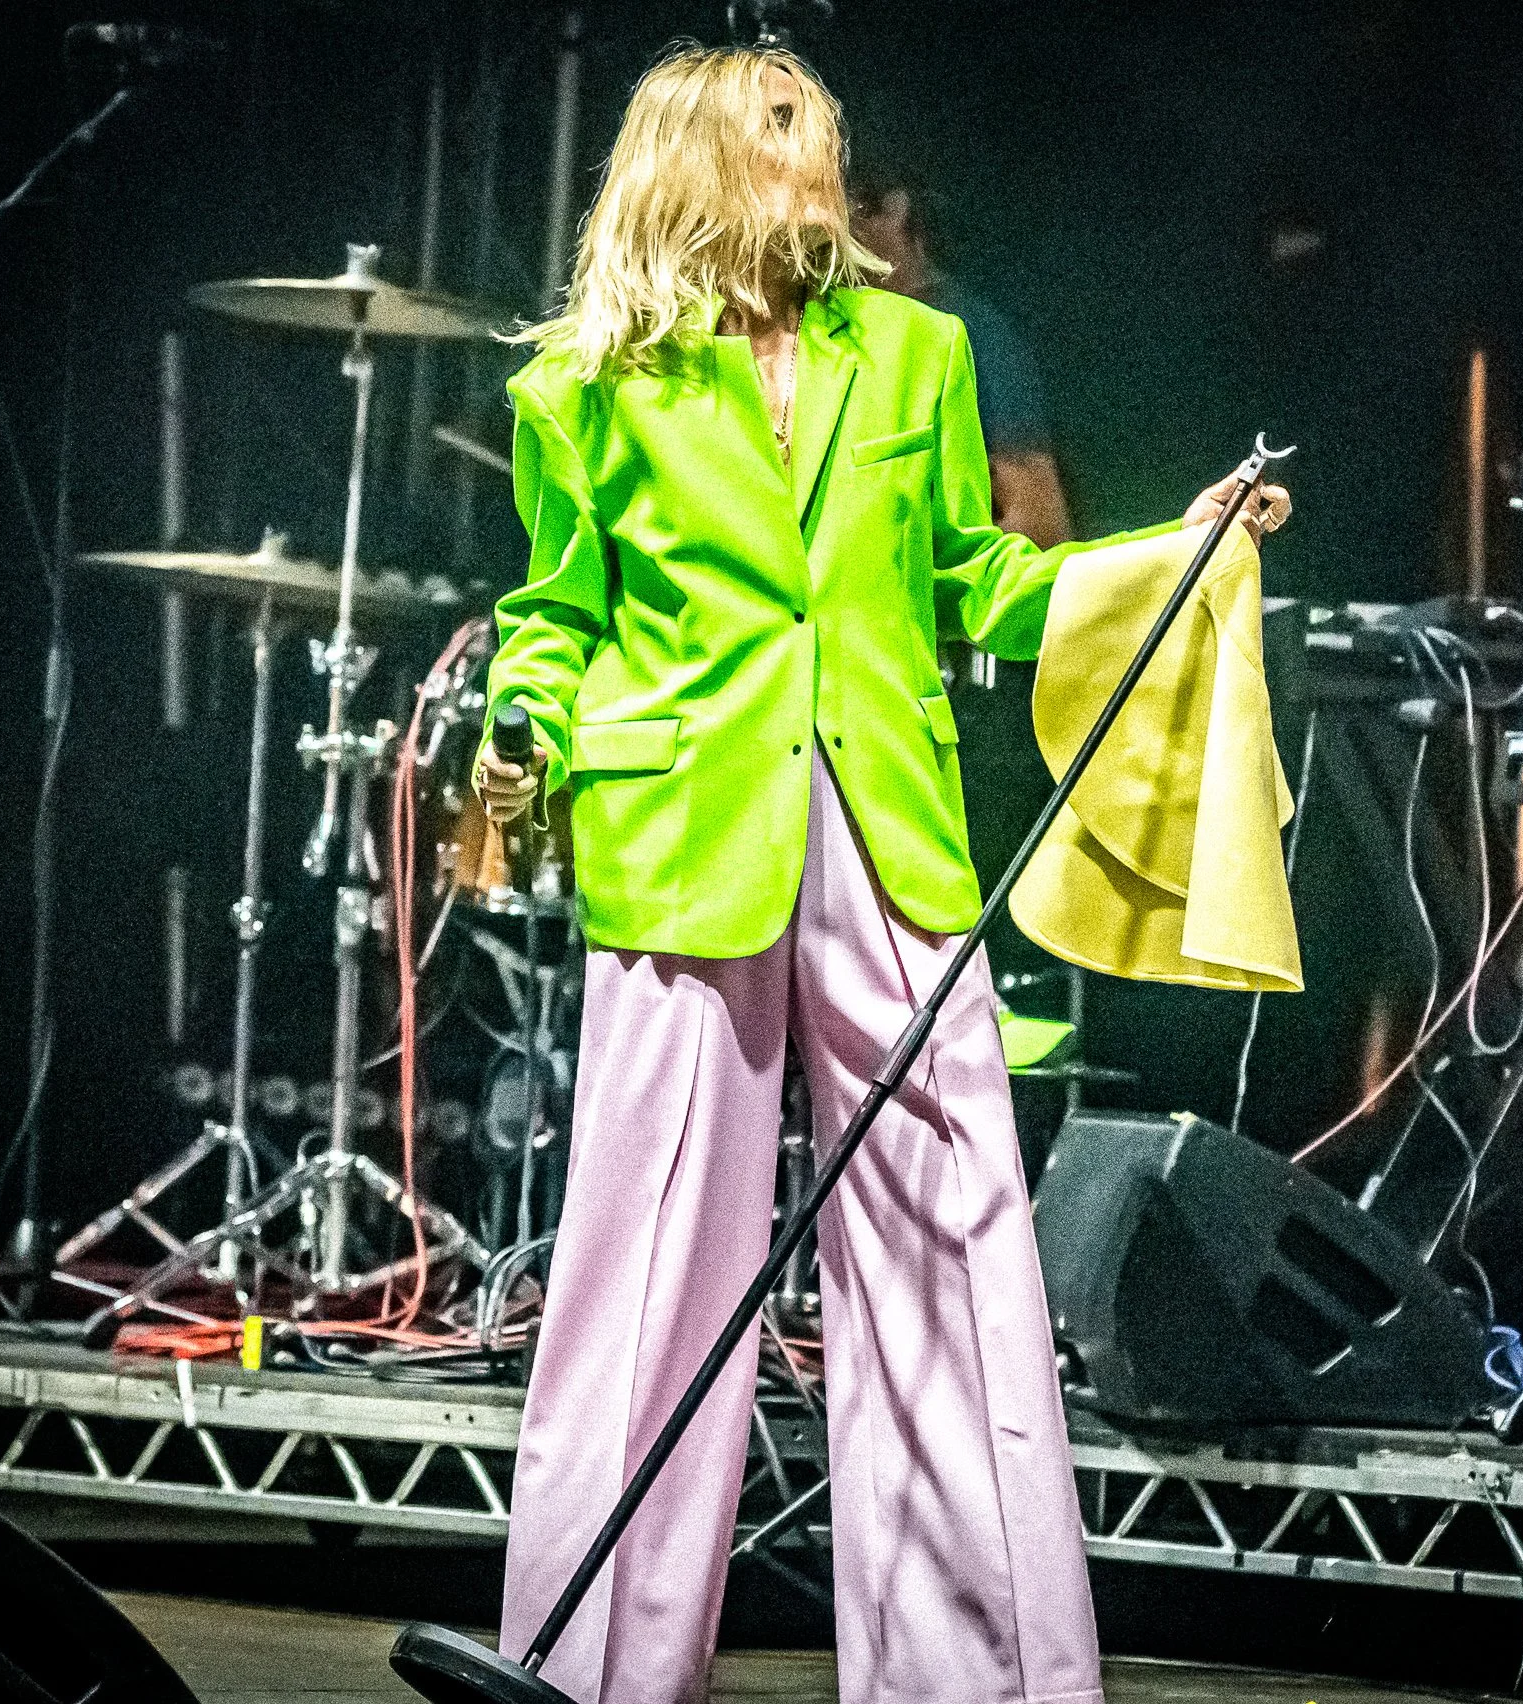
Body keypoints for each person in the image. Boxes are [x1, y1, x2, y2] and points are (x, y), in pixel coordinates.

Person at [473, 43, 1288, 1704]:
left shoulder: (917, 353)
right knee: (644, 1266)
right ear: (698, 159)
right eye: (786, 135)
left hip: (882, 819)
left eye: (824, 138)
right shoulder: (583, 383)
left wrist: (1166, 557)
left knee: (952, 1236)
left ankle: (975, 1674)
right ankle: (591, 1670)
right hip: (681, 823)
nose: (822, 166)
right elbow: (557, 612)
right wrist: (518, 728)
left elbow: (983, 577)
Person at [848, 158, 1072, 548]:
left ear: (901, 213)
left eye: (864, 213)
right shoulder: (855, 337)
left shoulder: (973, 332)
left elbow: (1040, 517)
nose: (849, 235)